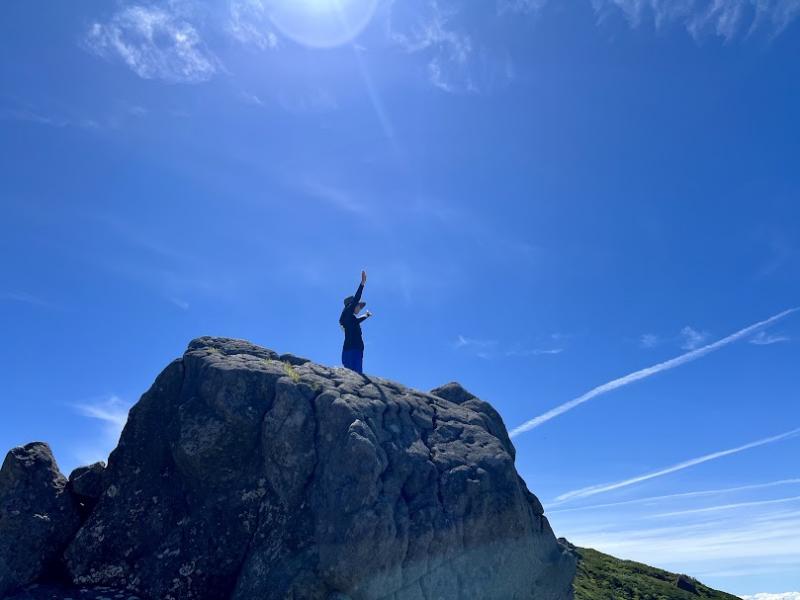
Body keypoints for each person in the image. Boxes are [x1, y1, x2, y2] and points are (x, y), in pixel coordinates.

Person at [340, 270, 373, 373]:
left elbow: (358, 320)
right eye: (358, 306)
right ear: (352, 305)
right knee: (355, 375)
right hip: (353, 350)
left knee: (352, 375)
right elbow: (355, 300)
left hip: (352, 349)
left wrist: (366, 315)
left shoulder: (350, 319)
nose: (359, 308)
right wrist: (362, 284)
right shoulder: (347, 312)